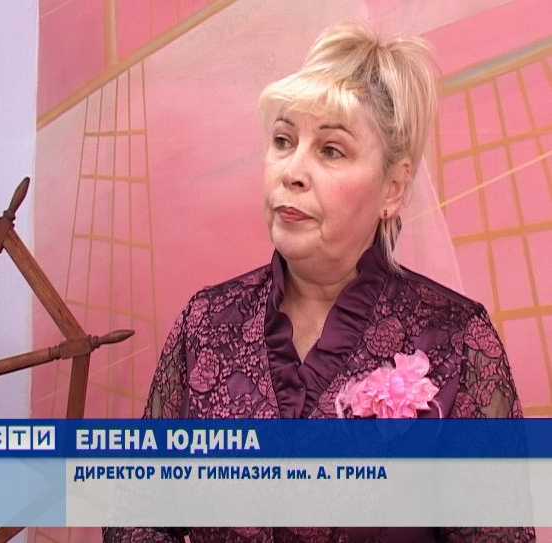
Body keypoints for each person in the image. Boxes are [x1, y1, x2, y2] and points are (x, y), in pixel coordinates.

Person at [105, 22, 535, 542]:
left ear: (393, 188)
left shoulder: (457, 339)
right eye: (283, 141)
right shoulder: (208, 323)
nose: (292, 171)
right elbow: (135, 515)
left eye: (331, 150)